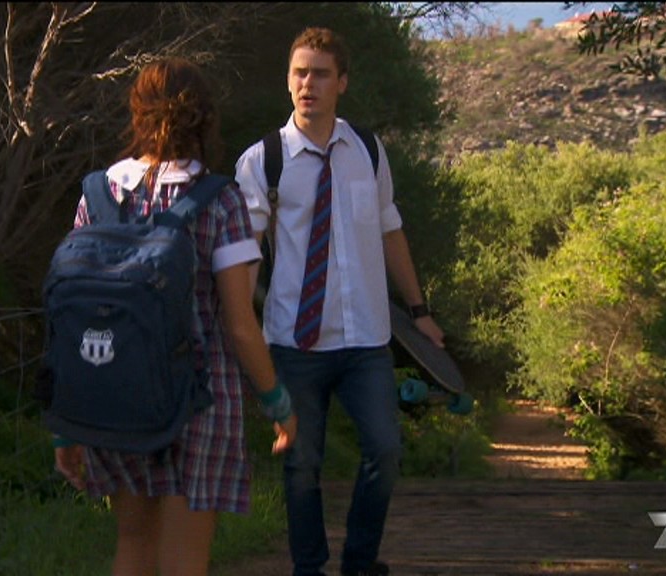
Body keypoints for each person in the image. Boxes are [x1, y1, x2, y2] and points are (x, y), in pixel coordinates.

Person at [53, 57, 298, 576]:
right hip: (199, 400)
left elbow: (72, 308)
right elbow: (239, 324)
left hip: (112, 393)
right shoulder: (220, 200)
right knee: (184, 560)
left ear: (137, 113)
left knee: (133, 544)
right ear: (205, 118)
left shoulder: (98, 193)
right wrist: (276, 401)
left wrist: (64, 425)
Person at [234, 27, 445, 576]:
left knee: (385, 450)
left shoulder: (368, 151)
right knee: (302, 465)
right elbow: (246, 254)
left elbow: (390, 231)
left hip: (366, 341)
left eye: (321, 74)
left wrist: (420, 312)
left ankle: (359, 562)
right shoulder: (263, 160)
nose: (308, 84)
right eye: (300, 73)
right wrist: (236, 324)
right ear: (288, 80)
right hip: (295, 342)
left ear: (342, 82)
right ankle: (309, 568)